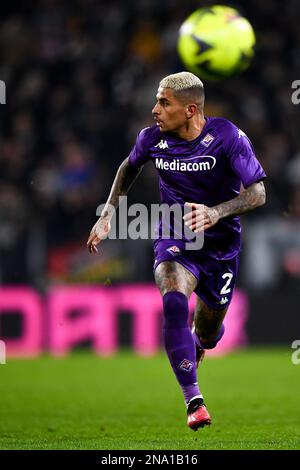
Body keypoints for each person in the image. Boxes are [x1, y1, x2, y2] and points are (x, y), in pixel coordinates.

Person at [87, 71, 266, 431]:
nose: (155, 110)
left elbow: (258, 193)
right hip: (175, 232)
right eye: (156, 100)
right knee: (171, 295)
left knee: (209, 331)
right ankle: (193, 400)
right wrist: (108, 214)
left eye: (163, 102)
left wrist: (216, 212)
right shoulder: (152, 139)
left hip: (221, 245)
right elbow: (128, 167)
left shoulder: (227, 137)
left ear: (190, 109)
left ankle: (201, 341)